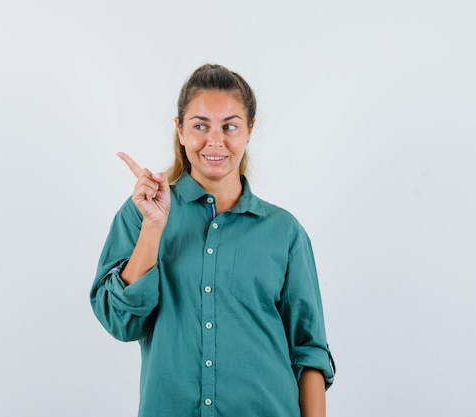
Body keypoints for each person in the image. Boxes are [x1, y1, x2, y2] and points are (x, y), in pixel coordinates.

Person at [90, 64, 335, 417]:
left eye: (229, 126)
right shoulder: (140, 215)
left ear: (250, 130)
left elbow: (308, 349)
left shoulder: (284, 231)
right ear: (180, 130)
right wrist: (154, 228)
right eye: (200, 125)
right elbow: (120, 322)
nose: (214, 141)